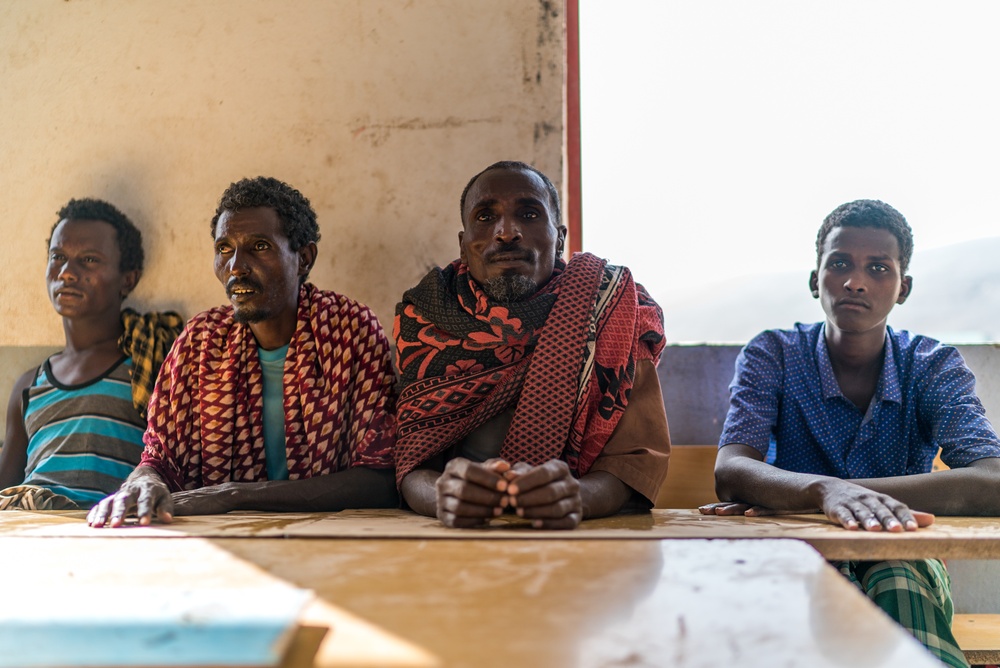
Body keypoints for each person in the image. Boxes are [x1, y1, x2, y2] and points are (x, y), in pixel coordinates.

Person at [702, 199, 1000, 667]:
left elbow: (993, 480)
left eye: (878, 268)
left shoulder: (931, 365)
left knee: (896, 576)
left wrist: (823, 493)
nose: (855, 281)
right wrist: (822, 489)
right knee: (809, 587)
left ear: (904, 288)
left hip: (906, 556)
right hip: (799, 551)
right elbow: (733, 471)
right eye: (839, 263)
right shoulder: (773, 354)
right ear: (813, 279)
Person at [87, 177, 397, 527]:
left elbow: (379, 479)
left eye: (259, 246)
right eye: (224, 249)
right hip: (224, 540)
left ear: (304, 258)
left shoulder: (349, 330)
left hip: (336, 535)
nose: (236, 266)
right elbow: (160, 459)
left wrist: (234, 495)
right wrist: (145, 481)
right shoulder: (200, 342)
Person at [394, 161, 670, 530]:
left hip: (576, 542)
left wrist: (576, 495)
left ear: (560, 237)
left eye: (528, 213)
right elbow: (411, 465)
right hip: (455, 542)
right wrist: (442, 494)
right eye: (485, 217)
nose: (507, 232)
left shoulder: (612, 307)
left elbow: (635, 461)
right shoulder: (425, 318)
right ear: (463, 245)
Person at [0, 198, 183, 511]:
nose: (68, 273)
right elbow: (6, 483)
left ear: (128, 279)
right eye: (58, 257)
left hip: (103, 528)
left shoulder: (148, 365)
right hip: (27, 530)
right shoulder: (30, 384)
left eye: (88, 260)